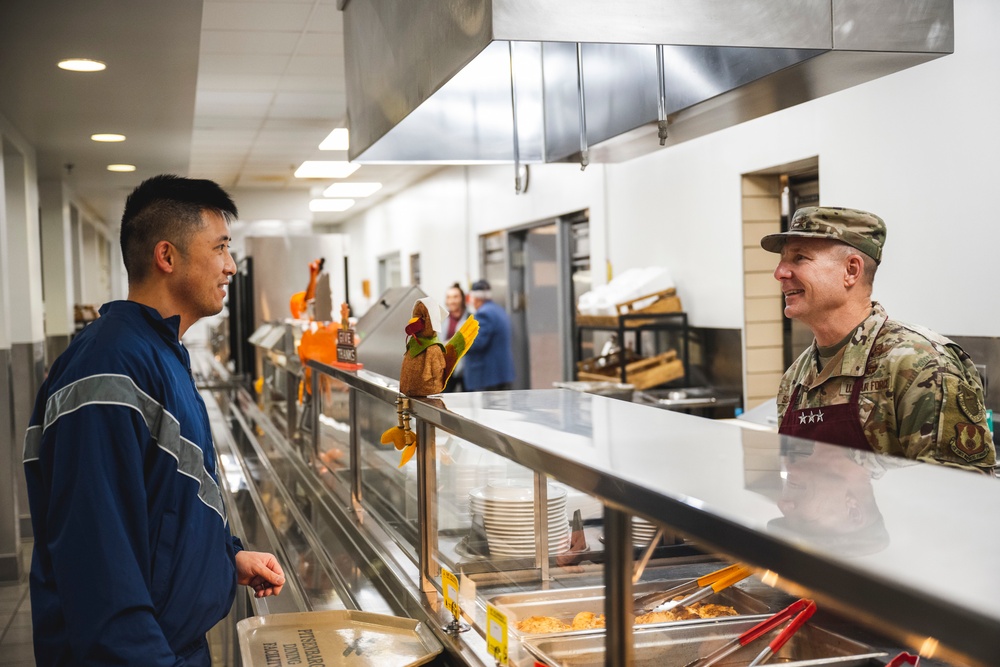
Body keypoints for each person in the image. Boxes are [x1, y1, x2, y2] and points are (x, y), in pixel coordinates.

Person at [22, 175, 286, 666]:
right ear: (167, 257)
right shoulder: (107, 371)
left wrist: (223, 560)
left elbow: (161, 500)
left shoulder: (159, 352)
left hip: (170, 643)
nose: (230, 266)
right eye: (221, 248)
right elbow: (100, 572)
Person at [761, 206, 995, 473]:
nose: (780, 272)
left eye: (799, 258)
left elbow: (957, 496)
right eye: (782, 260)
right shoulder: (797, 377)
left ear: (851, 270)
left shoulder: (920, 364)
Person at [462, 279, 516, 391]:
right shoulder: (498, 310)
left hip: (487, 377)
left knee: (487, 408)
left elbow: (477, 343)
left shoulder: (484, 314)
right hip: (500, 375)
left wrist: (456, 343)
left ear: (476, 299)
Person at [443, 282, 471, 392]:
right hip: (447, 369)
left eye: (455, 297)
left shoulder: (470, 318)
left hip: (466, 370)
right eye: (449, 297)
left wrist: (448, 343)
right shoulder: (443, 320)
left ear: (462, 299)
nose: (452, 301)